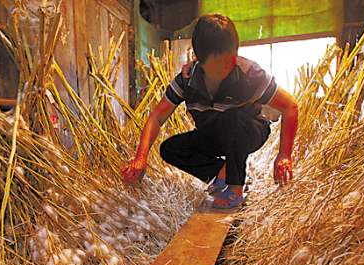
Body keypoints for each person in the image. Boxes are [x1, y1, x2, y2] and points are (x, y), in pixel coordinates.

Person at [121, 13, 298, 209]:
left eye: (230, 58)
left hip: (248, 131)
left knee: (232, 118)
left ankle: (235, 188)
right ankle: (221, 171)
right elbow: (157, 116)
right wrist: (140, 157)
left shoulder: (249, 75)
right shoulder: (188, 79)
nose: (226, 66)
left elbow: (290, 106)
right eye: (217, 63)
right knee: (170, 148)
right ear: (199, 59)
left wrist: (284, 155)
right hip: (216, 134)